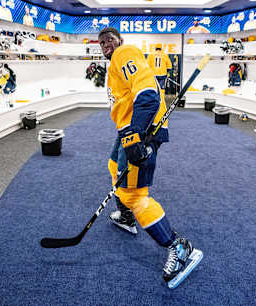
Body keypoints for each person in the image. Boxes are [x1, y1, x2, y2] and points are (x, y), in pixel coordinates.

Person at [98, 27, 202, 288]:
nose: (106, 44)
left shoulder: (125, 52)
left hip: (141, 131)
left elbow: (148, 93)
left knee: (135, 194)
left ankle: (178, 247)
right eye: (101, 42)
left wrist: (135, 134)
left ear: (120, 41)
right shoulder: (115, 65)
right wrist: (128, 132)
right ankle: (126, 216)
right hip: (129, 130)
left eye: (110, 39)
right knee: (114, 166)